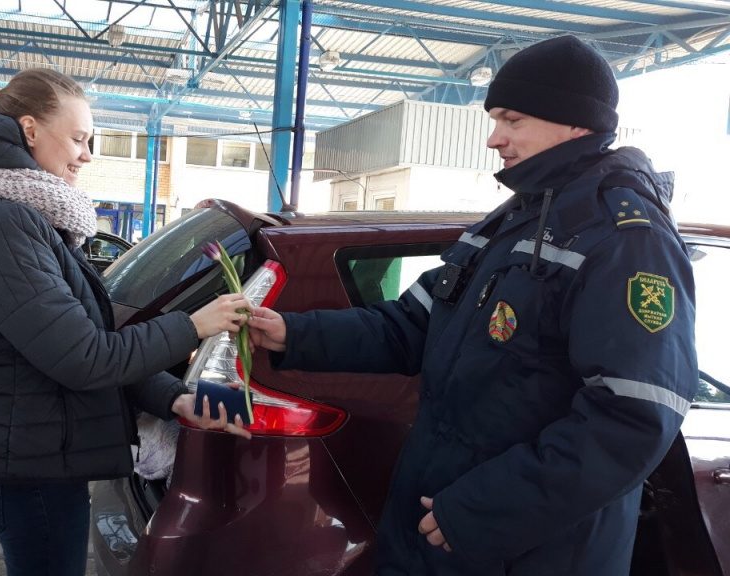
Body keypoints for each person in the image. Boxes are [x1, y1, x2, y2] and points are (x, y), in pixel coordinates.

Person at [249, 35, 696, 576]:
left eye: (511, 119)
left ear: (574, 122)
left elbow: (633, 416)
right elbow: (413, 323)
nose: (494, 138)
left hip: (524, 547)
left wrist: (486, 510)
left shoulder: (622, 238)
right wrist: (292, 333)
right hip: (443, 522)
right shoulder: (513, 221)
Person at [0, 70, 252, 576]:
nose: (87, 155)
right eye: (79, 138)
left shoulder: (31, 220)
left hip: (38, 455)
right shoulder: (8, 224)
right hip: (29, 469)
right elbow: (83, 357)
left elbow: (90, 344)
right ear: (29, 130)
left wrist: (174, 397)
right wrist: (192, 325)